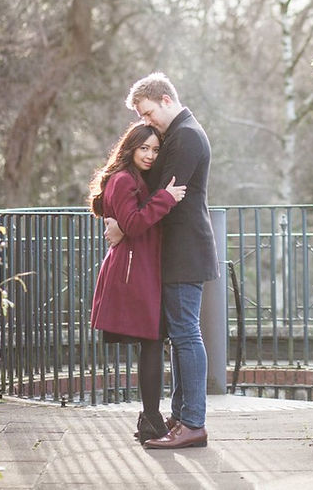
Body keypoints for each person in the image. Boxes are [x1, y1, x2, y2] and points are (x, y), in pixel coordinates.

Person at [105, 72, 219, 450]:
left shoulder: (185, 137)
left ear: (166, 100)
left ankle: (193, 423)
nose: (146, 121)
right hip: (177, 252)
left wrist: (124, 224)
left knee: (186, 335)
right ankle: (182, 416)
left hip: (184, 251)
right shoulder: (180, 133)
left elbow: (160, 193)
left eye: (148, 113)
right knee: (182, 335)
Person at [88, 122, 186, 444]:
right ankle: (151, 419)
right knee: (152, 344)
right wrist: (166, 198)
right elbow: (132, 223)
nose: (150, 155)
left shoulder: (133, 178)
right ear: (130, 148)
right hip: (133, 271)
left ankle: (149, 417)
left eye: (155, 150)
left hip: (139, 267)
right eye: (144, 148)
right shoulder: (123, 179)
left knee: (152, 344)